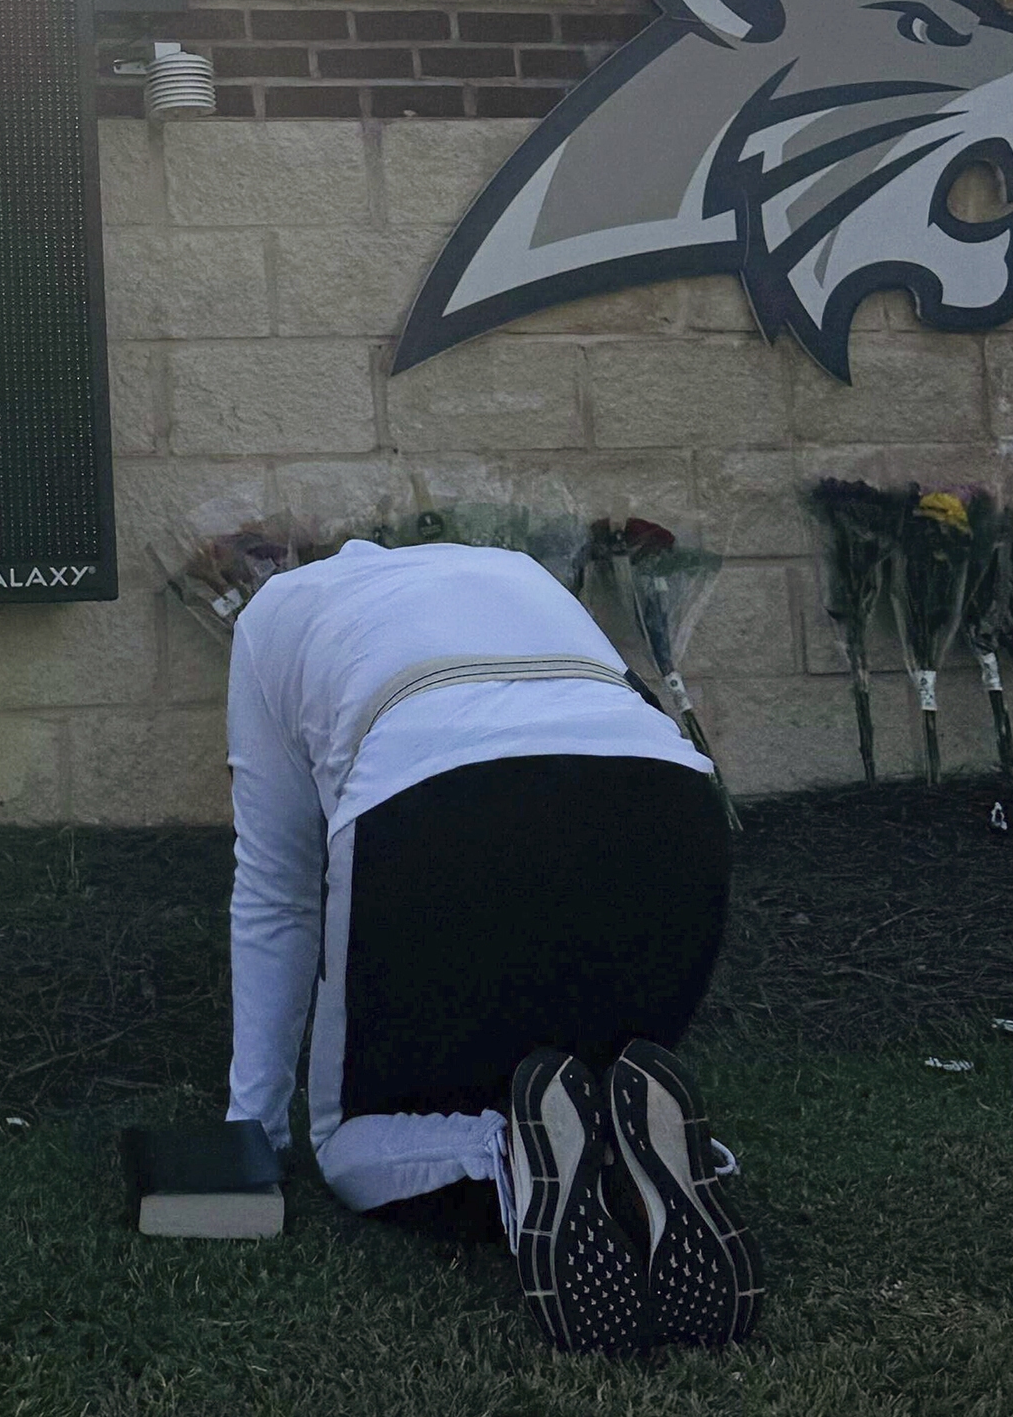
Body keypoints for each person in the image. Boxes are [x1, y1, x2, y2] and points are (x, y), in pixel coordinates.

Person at [224, 536, 758, 1352]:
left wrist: (249, 1133)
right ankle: (637, 1148)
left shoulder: (270, 614)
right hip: (665, 807)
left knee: (347, 1147)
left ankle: (505, 1151)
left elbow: (275, 891)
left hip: (441, 810)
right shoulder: (512, 568)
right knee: (589, 1072)